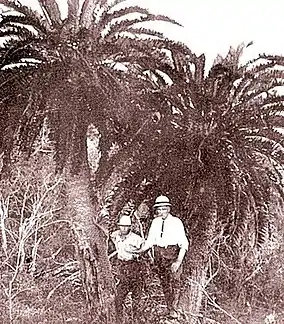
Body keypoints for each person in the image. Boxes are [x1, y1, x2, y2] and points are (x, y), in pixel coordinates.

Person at [139, 195, 189, 318]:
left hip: (173, 253)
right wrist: (139, 250)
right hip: (159, 255)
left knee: (175, 281)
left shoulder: (176, 222)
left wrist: (178, 261)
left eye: (164, 209)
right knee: (165, 283)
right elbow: (150, 241)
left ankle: (174, 309)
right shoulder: (155, 222)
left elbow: (184, 243)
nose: (161, 212)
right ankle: (169, 308)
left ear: (169, 209)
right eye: (159, 209)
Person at [110, 214, 145, 324]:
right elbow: (110, 237)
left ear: (130, 227)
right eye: (122, 226)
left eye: (126, 226)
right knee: (118, 299)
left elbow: (144, 248)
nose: (124, 228)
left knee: (136, 299)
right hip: (122, 267)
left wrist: (137, 255)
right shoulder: (116, 236)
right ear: (119, 226)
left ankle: (136, 321)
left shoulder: (136, 238)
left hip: (134, 267)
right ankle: (119, 321)